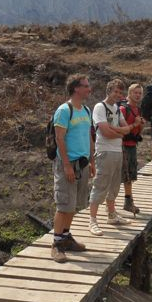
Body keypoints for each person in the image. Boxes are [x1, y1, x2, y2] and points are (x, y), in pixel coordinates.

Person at [51, 74, 95, 263]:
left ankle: (66, 238)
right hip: (67, 164)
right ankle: (56, 244)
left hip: (83, 163)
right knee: (64, 205)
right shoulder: (64, 110)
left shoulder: (86, 110)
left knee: (73, 204)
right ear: (76, 88)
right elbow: (59, 138)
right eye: (86, 85)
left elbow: (89, 137)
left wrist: (92, 161)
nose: (89, 89)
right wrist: (67, 165)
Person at [89, 79, 141, 236]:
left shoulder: (117, 108)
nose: (118, 95)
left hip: (118, 151)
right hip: (104, 151)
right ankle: (93, 220)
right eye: (115, 91)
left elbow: (126, 131)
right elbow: (105, 132)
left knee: (114, 185)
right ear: (108, 91)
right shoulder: (100, 107)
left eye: (120, 92)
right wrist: (120, 130)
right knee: (100, 185)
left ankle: (111, 215)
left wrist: (117, 129)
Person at [120, 83, 145, 215]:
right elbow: (119, 130)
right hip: (122, 146)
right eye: (135, 92)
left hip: (132, 145)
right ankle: (113, 204)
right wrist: (135, 124)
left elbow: (138, 132)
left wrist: (140, 126)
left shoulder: (138, 110)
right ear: (129, 94)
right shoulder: (123, 109)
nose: (137, 95)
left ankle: (128, 202)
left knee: (130, 174)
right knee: (122, 175)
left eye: (140, 93)